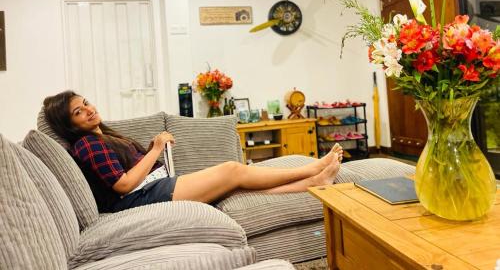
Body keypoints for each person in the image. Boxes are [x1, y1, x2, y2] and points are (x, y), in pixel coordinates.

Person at [42, 91, 343, 213]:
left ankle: (311, 184)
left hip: (154, 188)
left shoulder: (103, 137)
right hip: (140, 198)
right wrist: (155, 149)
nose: (89, 111)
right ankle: (312, 168)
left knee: (235, 188)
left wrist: (149, 150)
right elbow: (121, 185)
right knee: (233, 170)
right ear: (70, 124)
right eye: (79, 112)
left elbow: (128, 169)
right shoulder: (87, 144)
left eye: (86, 103)